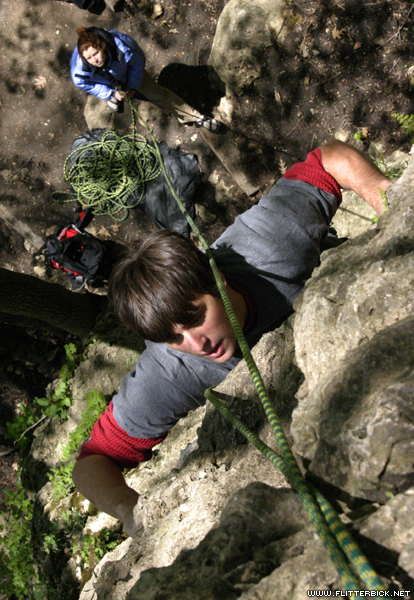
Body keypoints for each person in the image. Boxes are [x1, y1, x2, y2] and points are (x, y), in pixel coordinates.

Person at [72, 140, 392, 536]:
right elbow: (93, 460)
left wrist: (390, 205)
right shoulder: (172, 369)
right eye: (174, 337)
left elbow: (327, 159)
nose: (197, 344)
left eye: (196, 317)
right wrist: (130, 510)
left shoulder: (266, 243)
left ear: (218, 280)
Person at [70, 27, 222, 132]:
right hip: (109, 83)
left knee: (157, 95)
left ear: (102, 47)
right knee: (115, 104)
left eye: (95, 54)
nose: (94, 60)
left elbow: (137, 63)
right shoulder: (79, 70)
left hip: (128, 75)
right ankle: (115, 98)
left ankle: (196, 117)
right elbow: (86, 84)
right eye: (88, 57)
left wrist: (133, 87)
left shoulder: (121, 46)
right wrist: (110, 94)